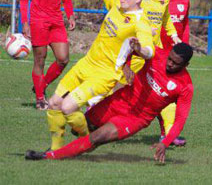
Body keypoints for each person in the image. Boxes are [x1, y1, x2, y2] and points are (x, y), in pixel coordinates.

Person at [44, 0, 154, 151]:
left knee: (67, 108)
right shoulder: (117, 6)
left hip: (105, 74)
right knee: (54, 103)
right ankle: (55, 150)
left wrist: (139, 48)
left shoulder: (141, 22)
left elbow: (150, 51)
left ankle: (86, 140)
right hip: (86, 64)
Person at [26, 43, 195, 163]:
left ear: (186, 65)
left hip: (136, 118)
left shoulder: (185, 86)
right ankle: (75, 151)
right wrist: (126, 66)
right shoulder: (158, 54)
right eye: (170, 59)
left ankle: (48, 156)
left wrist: (165, 143)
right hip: (118, 100)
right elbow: (131, 49)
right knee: (85, 127)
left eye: (175, 63)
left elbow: (180, 120)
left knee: (98, 137)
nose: (170, 64)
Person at [19, 0, 75, 110]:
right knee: (40, 60)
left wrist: (71, 16)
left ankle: (40, 86)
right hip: (38, 22)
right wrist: (25, 22)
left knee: (63, 59)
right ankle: (40, 98)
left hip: (57, 22)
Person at [156, 0, 191, 147]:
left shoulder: (183, 0)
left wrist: (184, 47)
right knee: (161, 93)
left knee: (175, 94)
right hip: (159, 54)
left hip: (176, 56)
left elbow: (184, 25)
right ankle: (166, 133)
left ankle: (168, 133)